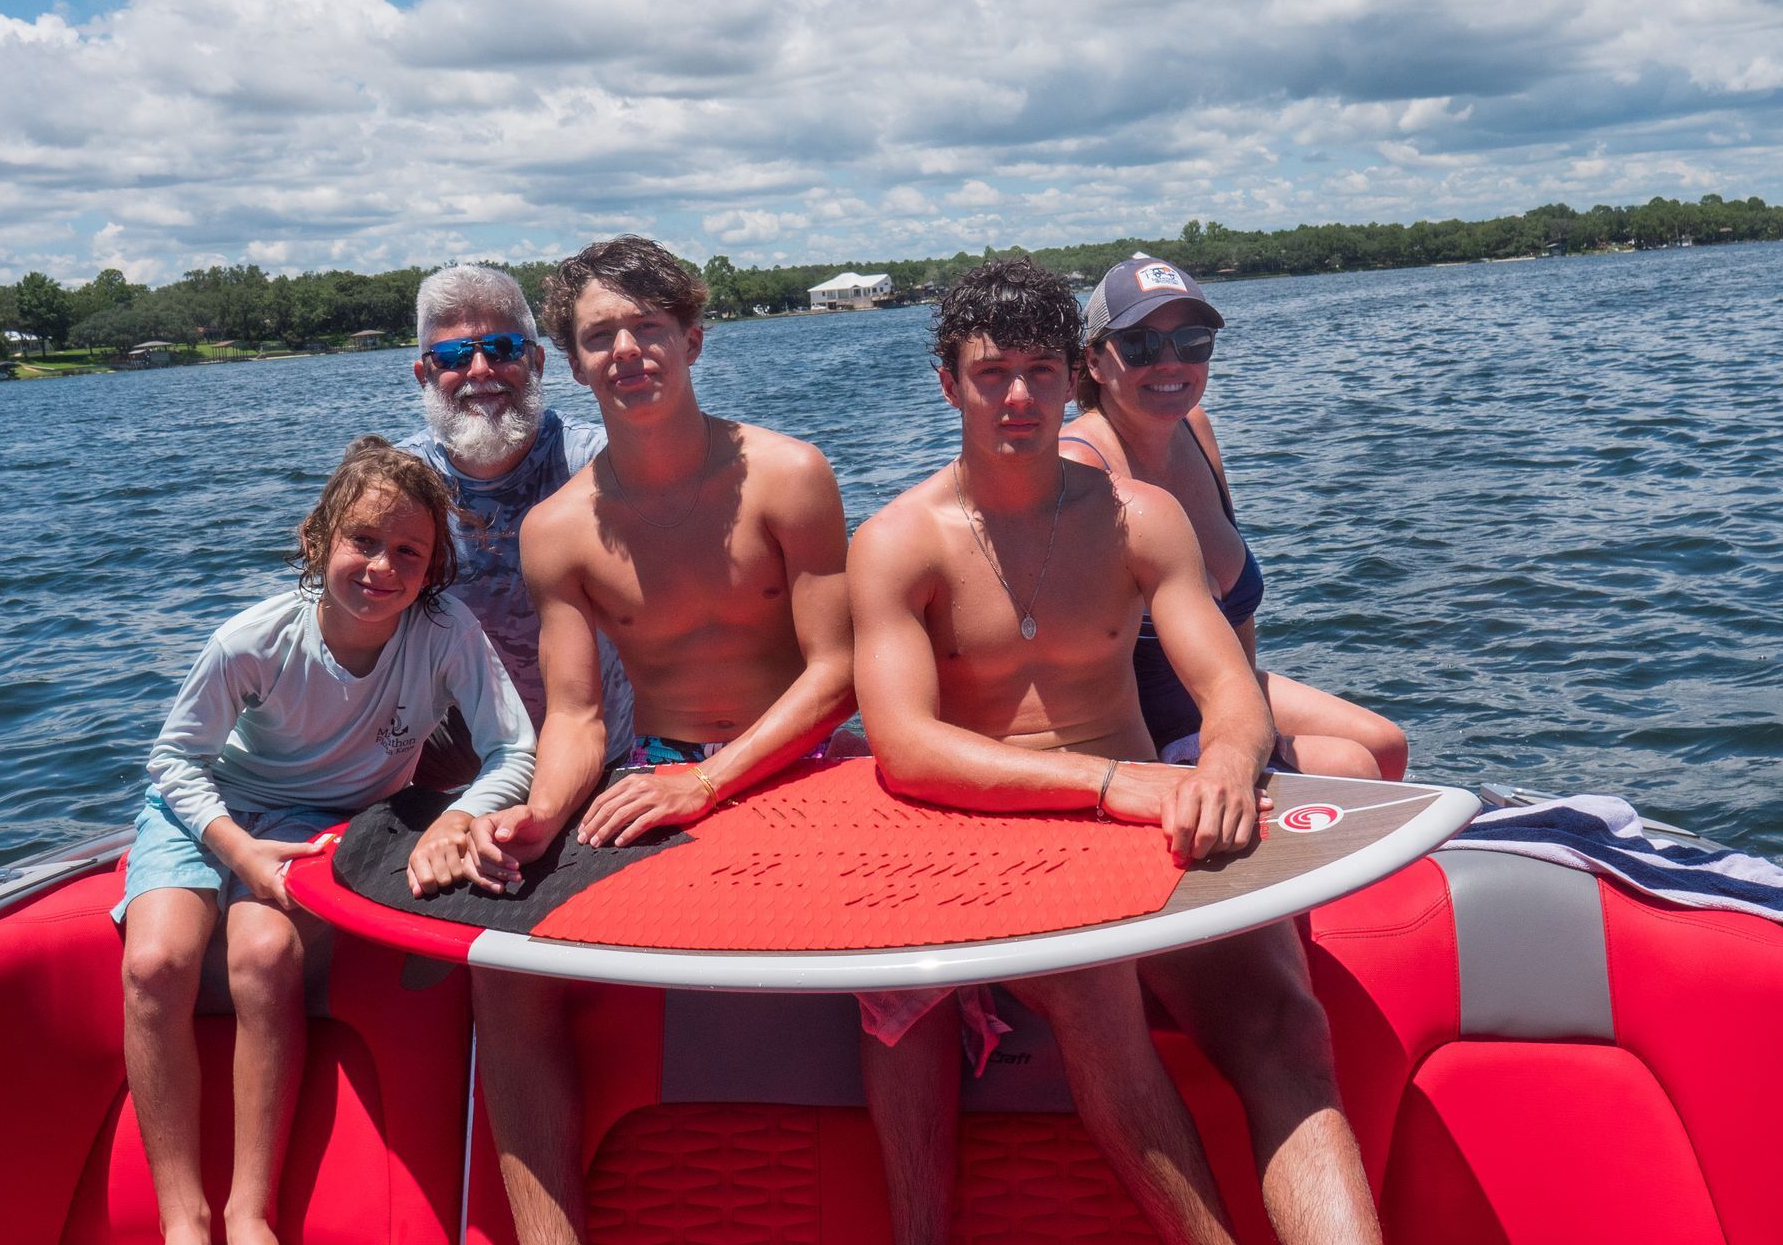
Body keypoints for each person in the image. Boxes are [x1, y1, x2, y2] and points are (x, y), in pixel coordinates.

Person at [847, 259, 1382, 1245]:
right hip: (999, 837)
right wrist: (1109, 782)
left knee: (1287, 1025)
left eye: (1041, 371)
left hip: (1152, 828)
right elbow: (909, 748)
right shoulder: (898, 542)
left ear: (1071, 378)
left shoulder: (1141, 517)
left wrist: (1224, 760)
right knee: (1097, 995)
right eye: (990, 372)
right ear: (946, 382)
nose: (1018, 395)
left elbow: (1229, 686)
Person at [459, 235, 858, 1245]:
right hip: (669, 770)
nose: (629, 350)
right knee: (501, 961)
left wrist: (714, 782)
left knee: (908, 980)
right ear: (573, 360)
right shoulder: (559, 529)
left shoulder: (788, 474)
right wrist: (540, 815)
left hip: (806, 766)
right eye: (601, 335)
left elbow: (838, 674)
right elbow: (578, 716)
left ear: (693, 336)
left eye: (649, 327)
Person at [118, 436, 537, 1245]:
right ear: (319, 540)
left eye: (408, 552)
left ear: (433, 569)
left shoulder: (443, 632)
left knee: (263, 958)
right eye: (363, 541)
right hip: (212, 809)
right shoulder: (253, 640)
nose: (383, 566)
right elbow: (174, 759)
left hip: (329, 824)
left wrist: (459, 815)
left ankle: (248, 1212)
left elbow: (513, 749)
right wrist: (237, 852)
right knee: (153, 965)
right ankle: (182, 1218)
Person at [1061, 255, 1408, 780]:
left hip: (1224, 697)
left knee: (1386, 745)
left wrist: (1251, 722)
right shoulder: (1082, 467)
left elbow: (1237, 622)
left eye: (1193, 341)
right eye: (1141, 345)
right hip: (1150, 733)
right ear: (1094, 362)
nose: (1170, 362)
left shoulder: (1194, 430)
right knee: (1352, 766)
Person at [398, 262, 635, 783]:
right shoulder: (397, 488)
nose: (480, 370)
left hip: (607, 750)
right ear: (425, 373)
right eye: (454, 355)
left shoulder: (602, 465)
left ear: (537, 361)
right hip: (461, 765)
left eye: (502, 349)